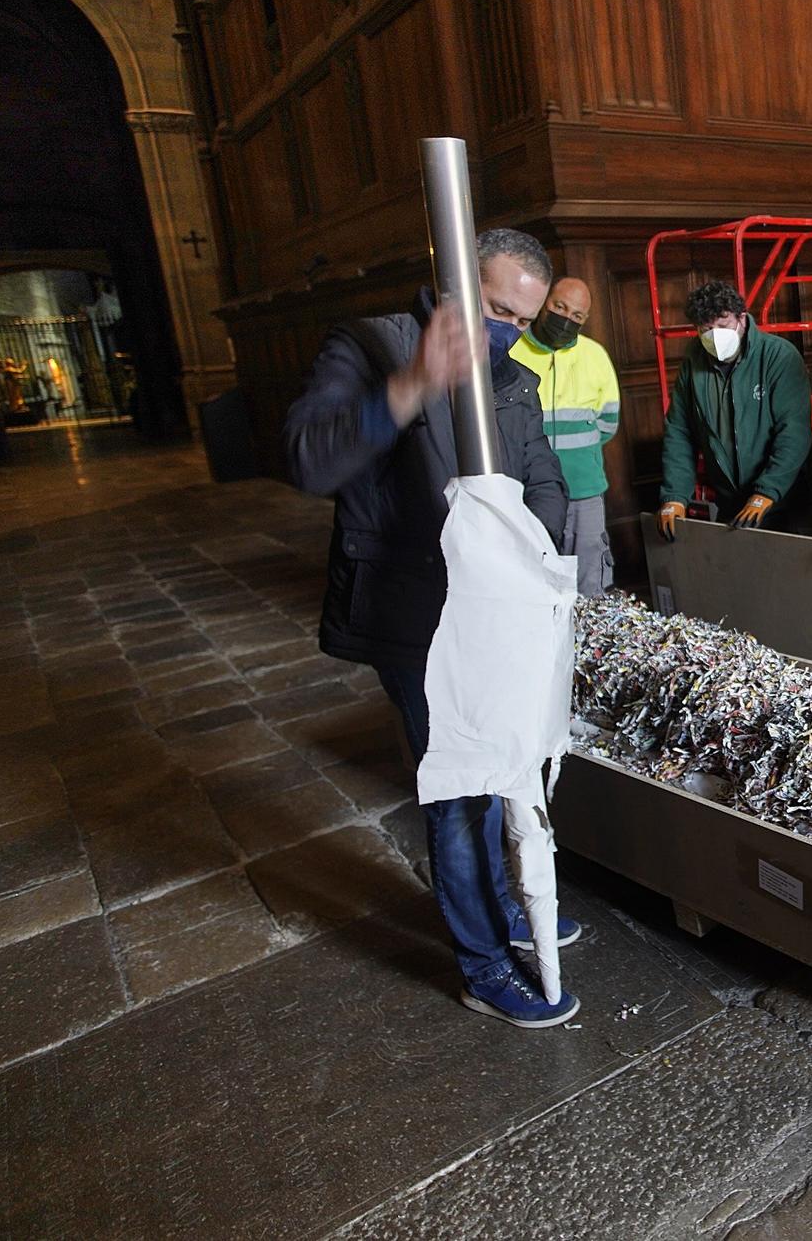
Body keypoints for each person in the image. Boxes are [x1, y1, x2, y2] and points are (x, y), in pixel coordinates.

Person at [284, 227, 584, 1029]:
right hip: (414, 616)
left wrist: (536, 561)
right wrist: (416, 382)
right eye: (492, 309)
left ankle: (510, 916)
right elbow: (310, 459)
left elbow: (544, 477)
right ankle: (484, 965)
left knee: (505, 774)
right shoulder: (370, 346)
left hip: (498, 615)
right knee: (461, 794)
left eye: (520, 320)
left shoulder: (513, 376)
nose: (504, 331)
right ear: (448, 280)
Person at [656, 280, 812, 540]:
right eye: (705, 329)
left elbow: (793, 432)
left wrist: (766, 492)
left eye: (722, 326)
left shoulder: (778, 356)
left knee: (794, 577)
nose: (714, 336)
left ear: (742, 320)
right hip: (733, 502)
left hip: (790, 503)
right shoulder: (693, 362)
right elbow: (680, 431)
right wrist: (675, 496)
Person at [512, 276, 621, 595]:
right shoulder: (512, 349)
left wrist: (575, 457)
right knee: (534, 575)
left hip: (584, 488)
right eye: (559, 306)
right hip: (526, 489)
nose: (566, 318)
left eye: (577, 315)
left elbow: (608, 422)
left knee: (591, 575)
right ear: (543, 302)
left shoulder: (595, 355)